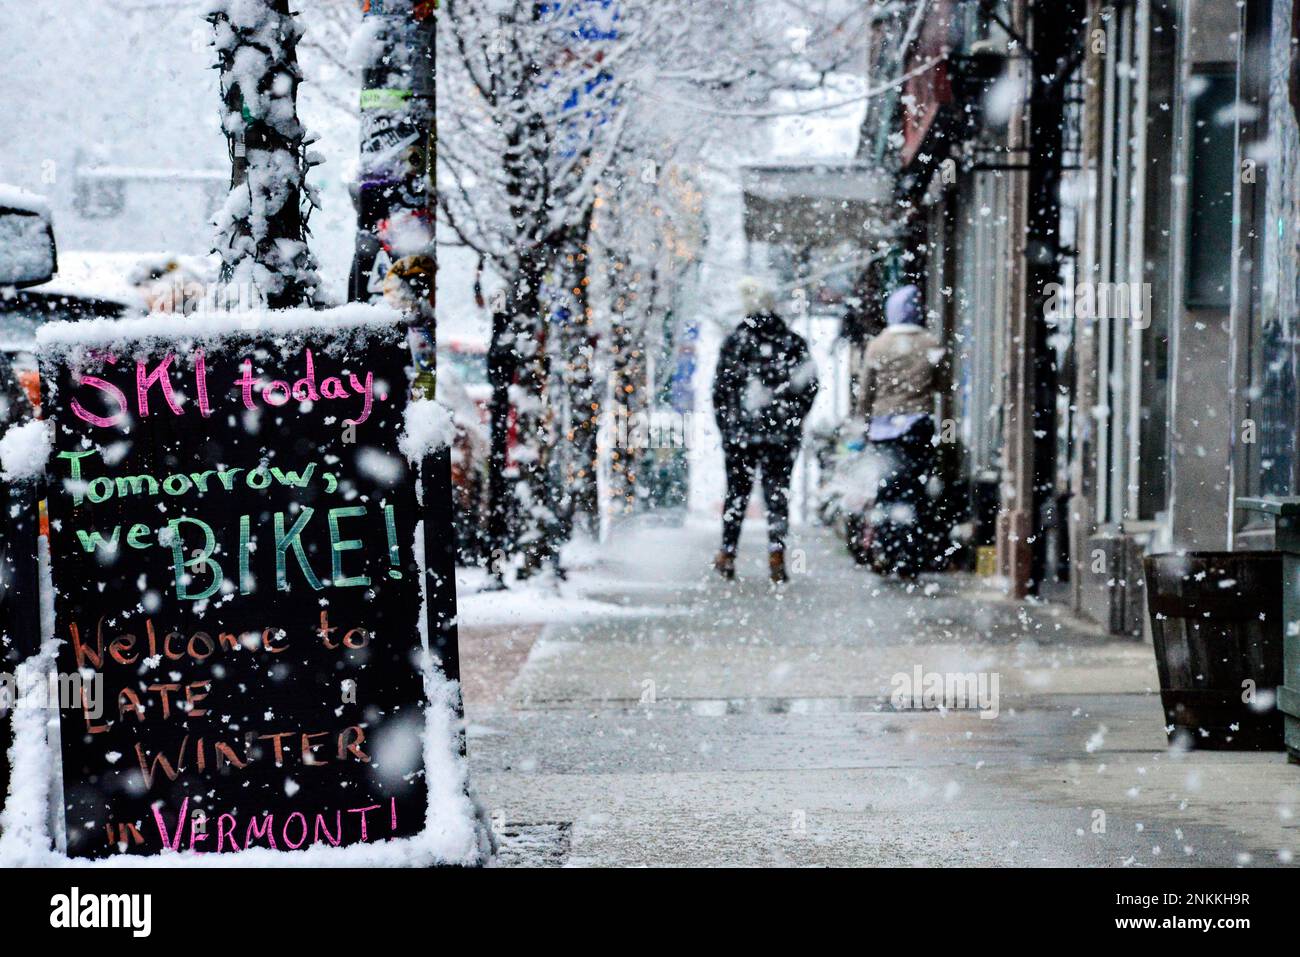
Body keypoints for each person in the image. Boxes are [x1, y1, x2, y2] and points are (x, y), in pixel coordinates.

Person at [712, 276, 819, 583]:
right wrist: (793, 417)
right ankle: (776, 555)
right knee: (777, 494)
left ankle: (728, 553)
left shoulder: (735, 342)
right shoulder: (792, 342)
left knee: (737, 494)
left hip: (740, 435)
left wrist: (728, 426)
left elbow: (721, 390)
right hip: (781, 434)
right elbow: (809, 384)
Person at [859, 284, 945, 578]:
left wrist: (865, 419)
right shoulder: (930, 343)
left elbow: (866, 390)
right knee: (915, 492)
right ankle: (911, 556)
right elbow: (942, 382)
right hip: (917, 427)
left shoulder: (877, 345)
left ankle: (886, 549)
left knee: (886, 491)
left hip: (884, 429)